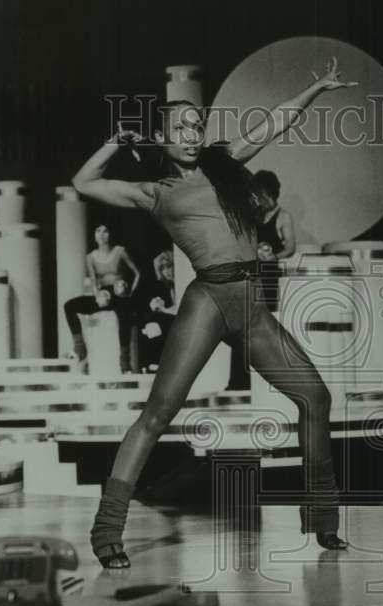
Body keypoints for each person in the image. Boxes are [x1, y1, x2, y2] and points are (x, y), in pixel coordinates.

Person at [73, 57, 357, 568]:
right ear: (161, 138)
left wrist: (314, 89)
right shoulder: (152, 191)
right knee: (158, 415)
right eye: (179, 127)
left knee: (315, 396)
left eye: (196, 125)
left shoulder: (226, 163)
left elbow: (276, 121)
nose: (190, 133)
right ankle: (106, 530)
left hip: (251, 303)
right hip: (207, 301)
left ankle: (323, 521)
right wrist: (119, 140)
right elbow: (83, 182)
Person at [226, 170, 297, 389]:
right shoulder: (253, 215)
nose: (258, 200)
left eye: (261, 195)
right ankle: (240, 381)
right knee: (241, 327)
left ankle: (269, 381)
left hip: (269, 277)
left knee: (263, 329)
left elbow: (290, 248)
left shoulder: (283, 216)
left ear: (271, 194)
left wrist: (273, 257)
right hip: (252, 275)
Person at [63, 224, 141, 373]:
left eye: (105, 231)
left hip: (120, 294)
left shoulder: (120, 251)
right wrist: (98, 295)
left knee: (125, 315)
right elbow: (93, 282)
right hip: (103, 295)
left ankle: (124, 361)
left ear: (110, 234)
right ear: (94, 235)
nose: (101, 234)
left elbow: (138, 273)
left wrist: (130, 292)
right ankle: (80, 348)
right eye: (98, 230)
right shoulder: (90, 257)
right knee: (69, 306)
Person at [139, 251, 177, 369]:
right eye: (163, 268)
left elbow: (181, 310)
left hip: (186, 320)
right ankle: (153, 360)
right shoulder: (171, 287)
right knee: (151, 318)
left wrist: (163, 310)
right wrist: (158, 306)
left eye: (169, 266)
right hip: (176, 320)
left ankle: (154, 360)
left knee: (153, 319)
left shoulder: (181, 283)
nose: (166, 271)